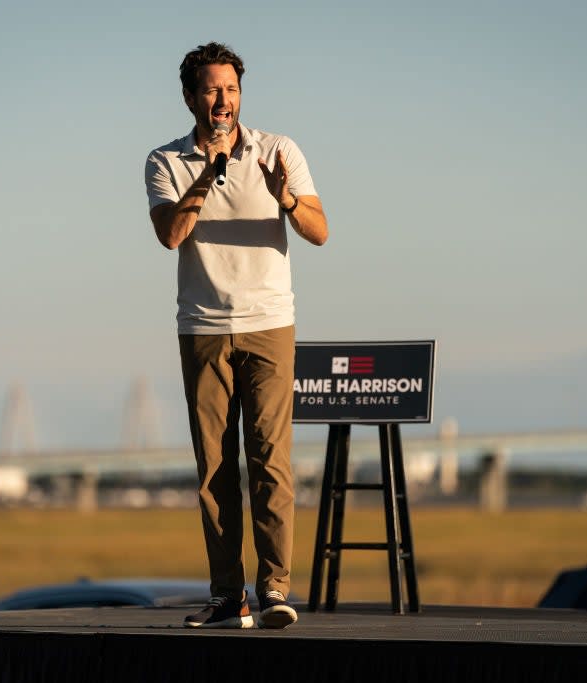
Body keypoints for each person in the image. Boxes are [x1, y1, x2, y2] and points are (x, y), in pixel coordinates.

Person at [145, 42, 328, 629]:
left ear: (240, 94)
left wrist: (287, 199)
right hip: (201, 326)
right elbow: (171, 235)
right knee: (213, 470)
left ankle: (275, 589)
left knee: (271, 461)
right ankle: (228, 595)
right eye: (211, 90)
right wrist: (207, 175)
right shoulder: (164, 161)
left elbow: (320, 231)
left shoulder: (279, 150)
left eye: (231, 89)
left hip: (269, 323)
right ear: (190, 97)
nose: (223, 101)